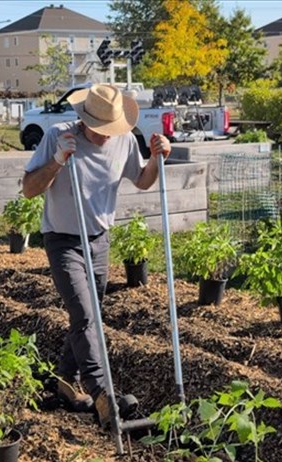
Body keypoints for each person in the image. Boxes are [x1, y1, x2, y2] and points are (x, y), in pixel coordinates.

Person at [22, 84, 171, 428]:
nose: (105, 136)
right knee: (85, 316)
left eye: (111, 129)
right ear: (84, 119)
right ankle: (103, 394)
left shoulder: (124, 140)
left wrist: (157, 158)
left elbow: (142, 180)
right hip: (62, 241)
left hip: (100, 240)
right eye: (99, 129)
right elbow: (29, 189)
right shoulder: (58, 137)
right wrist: (58, 161)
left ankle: (65, 380)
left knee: (88, 317)